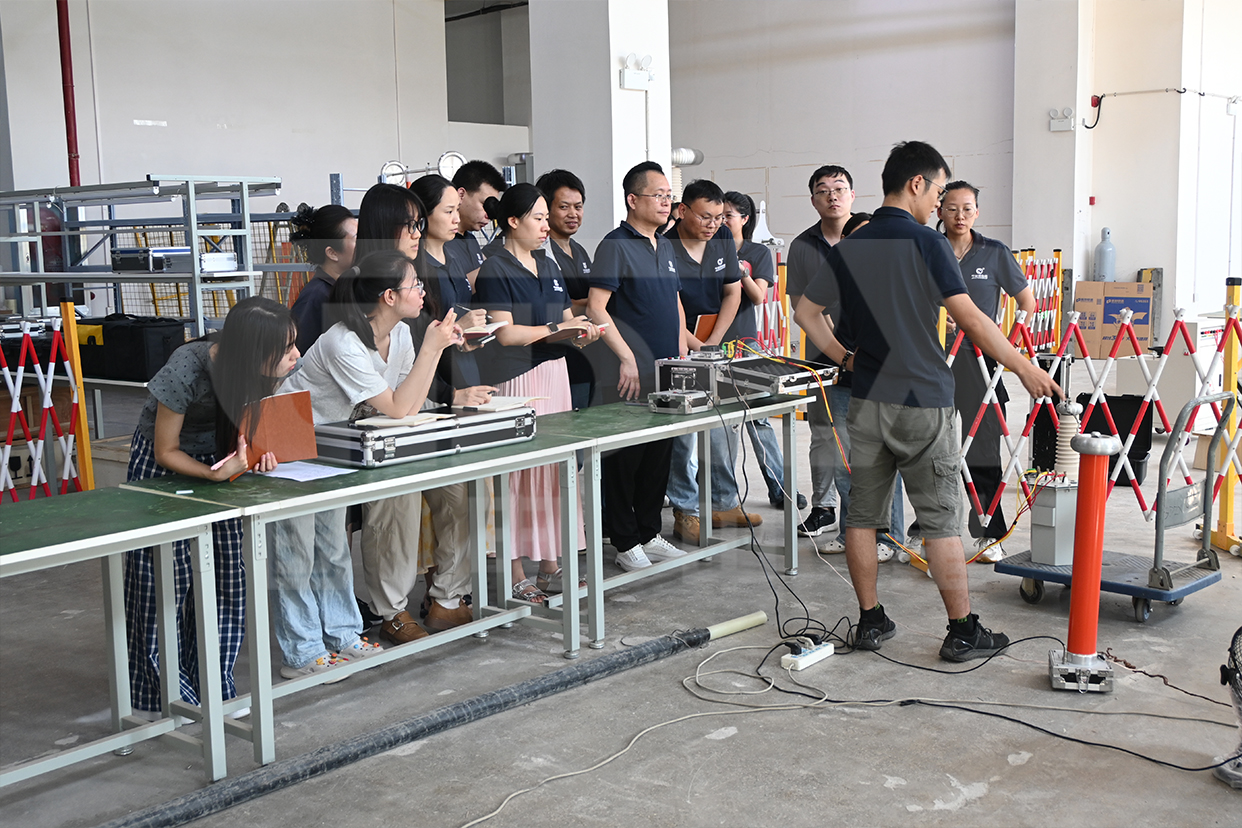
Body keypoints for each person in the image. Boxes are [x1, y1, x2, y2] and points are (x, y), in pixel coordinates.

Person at [794, 140, 1059, 662]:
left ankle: (870, 620)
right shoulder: (928, 243)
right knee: (939, 521)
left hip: (867, 399)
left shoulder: (850, 247)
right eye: (938, 191)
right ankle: (962, 630)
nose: (940, 202)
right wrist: (1024, 366)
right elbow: (972, 319)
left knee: (861, 518)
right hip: (923, 401)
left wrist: (845, 358)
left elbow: (806, 312)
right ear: (916, 183)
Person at [123, 297, 291, 718]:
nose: (296, 355)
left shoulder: (264, 369)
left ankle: (215, 685)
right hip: (166, 468)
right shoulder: (187, 367)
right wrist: (213, 475)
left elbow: (254, 429)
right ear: (253, 352)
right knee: (163, 578)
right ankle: (166, 695)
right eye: (286, 348)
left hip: (220, 459)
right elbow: (165, 450)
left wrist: (261, 454)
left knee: (226, 573)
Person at [352, 184, 494, 640]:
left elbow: (418, 367)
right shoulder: (352, 292)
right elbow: (382, 391)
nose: (418, 232)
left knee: (465, 489)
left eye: (419, 223)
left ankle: (448, 597)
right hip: (366, 427)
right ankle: (391, 609)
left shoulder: (418, 281)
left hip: (414, 414)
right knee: (398, 503)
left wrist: (450, 397)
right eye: (410, 224)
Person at [473, 183, 601, 601]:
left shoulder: (547, 264)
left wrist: (581, 333)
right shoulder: (496, 268)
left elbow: (563, 321)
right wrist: (558, 328)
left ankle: (550, 565)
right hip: (517, 380)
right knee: (515, 479)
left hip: (555, 375)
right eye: (539, 218)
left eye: (547, 218)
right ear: (513, 221)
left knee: (553, 474)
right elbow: (506, 334)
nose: (547, 226)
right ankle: (514, 572)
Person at [587, 161, 689, 571]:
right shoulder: (615, 245)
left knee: (658, 456)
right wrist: (626, 357)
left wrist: (681, 353)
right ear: (633, 199)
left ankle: (649, 531)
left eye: (668, 196)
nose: (666, 202)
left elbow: (675, 303)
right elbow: (596, 308)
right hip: (629, 374)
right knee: (624, 459)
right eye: (657, 195)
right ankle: (625, 540)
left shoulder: (664, 245)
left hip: (665, 370)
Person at [936, 180, 1035, 562]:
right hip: (934, 360)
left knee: (984, 444)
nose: (959, 216)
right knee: (931, 445)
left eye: (967, 208)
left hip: (980, 362)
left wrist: (1005, 344)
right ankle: (929, 530)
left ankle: (988, 529)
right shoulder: (929, 249)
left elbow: (1026, 302)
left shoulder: (994, 253)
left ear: (977, 212)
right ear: (939, 211)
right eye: (951, 208)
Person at [663, 179, 762, 542]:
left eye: (719, 217)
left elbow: (732, 292)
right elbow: (670, 306)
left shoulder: (721, 239)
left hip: (714, 341)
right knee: (684, 433)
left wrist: (713, 342)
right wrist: (696, 346)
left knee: (723, 425)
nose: (713, 224)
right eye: (705, 216)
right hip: (678, 344)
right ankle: (685, 510)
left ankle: (723, 501)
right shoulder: (665, 246)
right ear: (682, 211)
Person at [721, 190, 806, 511]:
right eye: (718, 215)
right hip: (712, 345)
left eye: (728, 215)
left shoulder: (756, 253)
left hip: (746, 344)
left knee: (759, 420)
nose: (721, 221)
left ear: (744, 219)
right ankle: (722, 497)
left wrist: (739, 269)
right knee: (722, 424)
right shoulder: (709, 249)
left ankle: (780, 488)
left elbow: (758, 297)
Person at [786, 165, 855, 538]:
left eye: (840, 188)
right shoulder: (802, 246)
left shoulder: (867, 240)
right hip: (821, 358)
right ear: (813, 200)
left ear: (852, 196)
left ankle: (861, 519)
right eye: (824, 190)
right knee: (824, 434)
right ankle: (824, 507)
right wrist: (839, 352)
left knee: (865, 439)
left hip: (866, 354)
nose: (833, 196)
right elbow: (801, 307)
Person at [409, 174, 487, 389]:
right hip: (433, 380)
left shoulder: (453, 258)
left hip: (465, 368)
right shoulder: (413, 268)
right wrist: (458, 328)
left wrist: (468, 334)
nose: (456, 219)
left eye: (457, 210)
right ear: (423, 215)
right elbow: (413, 338)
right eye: (448, 211)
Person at [536, 168, 596, 410]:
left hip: (585, 354)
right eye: (564, 207)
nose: (573, 214)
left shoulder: (579, 250)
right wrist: (598, 304)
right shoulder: (540, 254)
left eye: (578, 207)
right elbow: (557, 308)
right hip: (553, 360)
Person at [289, 204, 357, 355]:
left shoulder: (347, 288)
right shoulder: (315, 296)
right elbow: (297, 354)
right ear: (332, 253)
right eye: (356, 238)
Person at [447, 159, 507, 280]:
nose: (488, 215)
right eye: (485, 204)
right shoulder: (441, 242)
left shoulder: (471, 241)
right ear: (461, 195)